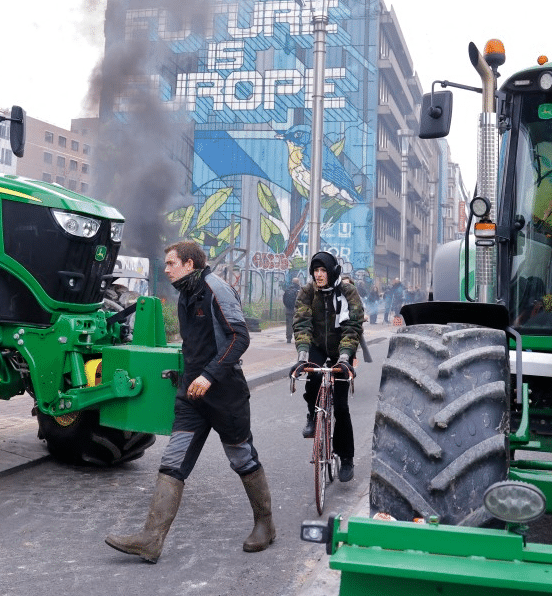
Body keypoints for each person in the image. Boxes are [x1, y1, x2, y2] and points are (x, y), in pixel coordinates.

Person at [105, 240, 274, 563]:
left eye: (171, 263)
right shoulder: (186, 294)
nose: (166, 269)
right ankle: (151, 539)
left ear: (189, 264)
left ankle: (265, 525)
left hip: (225, 394)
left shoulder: (216, 289)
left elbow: (240, 337)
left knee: (242, 458)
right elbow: (194, 345)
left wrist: (209, 375)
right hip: (192, 396)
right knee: (173, 460)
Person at [288, 251, 365, 482]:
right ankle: (313, 415)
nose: (319, 275)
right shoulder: (307, 292)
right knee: (312, 376)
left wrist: (344, 358)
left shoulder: (348, 291)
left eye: (323, 271)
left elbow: (353, 325)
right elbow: (301, 323)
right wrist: (302, 355)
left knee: (341, 406)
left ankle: (347, 457)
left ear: (331, 272)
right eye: (315, 271)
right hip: (317, 345)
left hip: (343, 346)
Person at [282, 276, 301, 343]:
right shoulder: (299, 290)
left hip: (288, 309)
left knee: (289, 324)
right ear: (298, 282)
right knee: (298, 324)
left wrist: (287, 306)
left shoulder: (288, 289)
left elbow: (284, 299)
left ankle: (288, 338)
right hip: (296, 310)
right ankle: (298, 338)